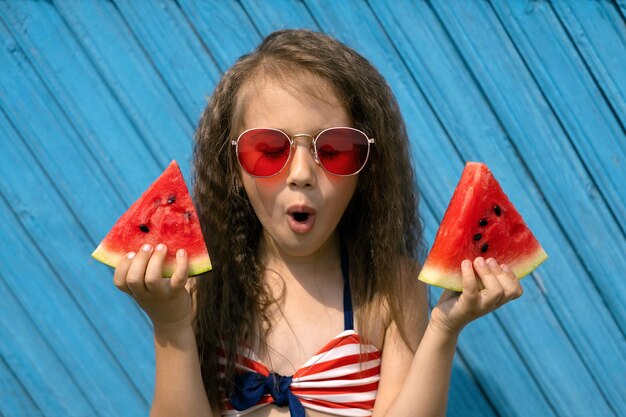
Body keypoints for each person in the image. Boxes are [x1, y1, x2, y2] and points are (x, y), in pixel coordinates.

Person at [113, 29, 523, 417]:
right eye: (269, 149)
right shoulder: (201, 281)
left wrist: (444, 328)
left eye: (336, 149)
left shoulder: (387, 287)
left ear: (366, 169)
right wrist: (170, 323)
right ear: (233, 166)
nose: (301, 173)